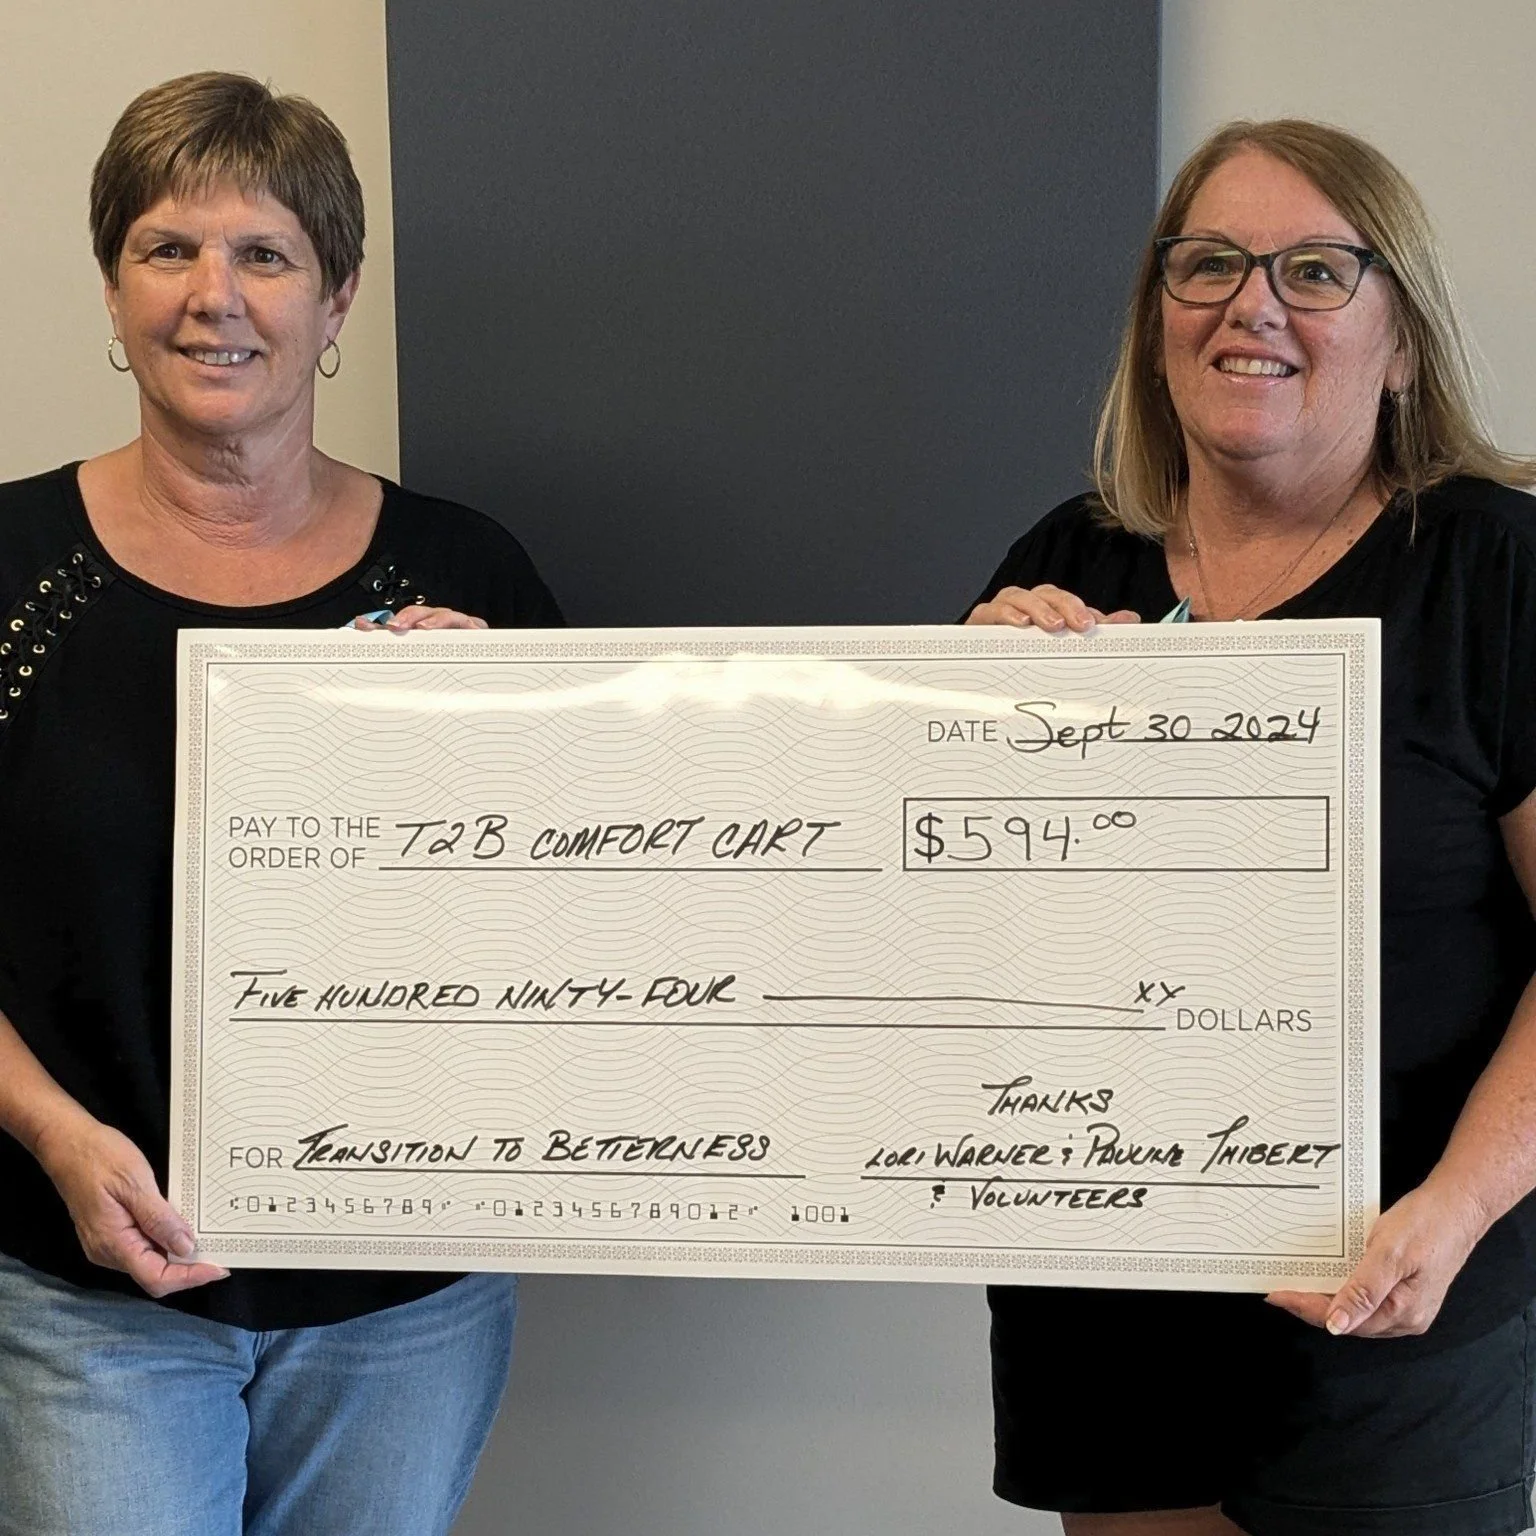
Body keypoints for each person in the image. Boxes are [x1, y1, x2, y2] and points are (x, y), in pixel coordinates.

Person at [0, 72, 562, 1536]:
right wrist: (54, 1132)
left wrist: (529, 749)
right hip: (86, 1285)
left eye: (266, 255)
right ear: (113, 288)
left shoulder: (469, 574)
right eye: (167, 249)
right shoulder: (4, 570)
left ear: (338, 297)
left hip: (405, 1301)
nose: (214, 297)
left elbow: (585, 927)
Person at [968, 119, 1536, 1536]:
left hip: (1395, 1297)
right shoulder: (1064, 562)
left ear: (1402, 340)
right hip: (1108, 1298)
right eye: (1209, 263)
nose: (1251, 304)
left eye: (1317, 270)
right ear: (1159, 322)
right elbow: (952, 933)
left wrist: (1453, 1213)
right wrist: (963, 716)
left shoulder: (1492, 569)